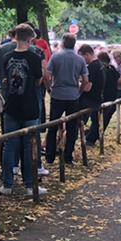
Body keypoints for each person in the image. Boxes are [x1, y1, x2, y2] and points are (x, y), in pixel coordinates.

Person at [0, 24, 48, 197]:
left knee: (9, 144)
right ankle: (30, 185)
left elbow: (2, 78)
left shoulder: (6, 56)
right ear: (31, 39)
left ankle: (7, 184)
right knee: (29, 145)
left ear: (15, 37)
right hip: (30, 105)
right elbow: (39, 80)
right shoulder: (34, 56)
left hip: (11, 105)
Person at [44, 35, 88, 165]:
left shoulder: (56, 56)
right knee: (72, 127)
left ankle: (50, 156)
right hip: (73, 96)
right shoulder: (80, 59)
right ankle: (68, 156)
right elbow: (85, 80)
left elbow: (47, 75)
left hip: (57, 94)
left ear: (63, 43)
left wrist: (49, 89)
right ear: (74, 44)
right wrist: (79, 91)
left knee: (52, 126)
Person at [81, 47, 106, 146]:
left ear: (87, 54)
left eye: (82, 56)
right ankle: (90, 139)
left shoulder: (91, 67)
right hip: (97, 98)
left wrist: (79, 87)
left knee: (75, 122)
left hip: (89, 100)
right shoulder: (100, 65)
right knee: (95, 121)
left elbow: (87, 87)